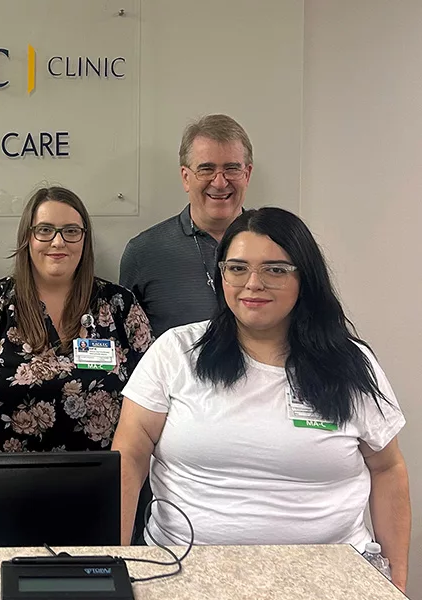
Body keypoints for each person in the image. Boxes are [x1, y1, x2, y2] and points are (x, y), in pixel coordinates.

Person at [112, 207, 410, 592]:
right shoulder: (176, 352)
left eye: (275, 269)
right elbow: (130, 456)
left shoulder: (351, 362)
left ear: (305, 277)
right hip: (185, 570)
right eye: (236, 268)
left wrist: (395, 582)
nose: (253, 283)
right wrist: (110, 560)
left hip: (329, 575)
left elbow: (387, 469)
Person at [0, 186, 153, 453]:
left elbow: (152, 403)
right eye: (45, 230)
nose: (58, 242)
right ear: (28, 238)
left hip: (102, 487)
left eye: (71, 231)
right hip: (2, 488)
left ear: (85, 239)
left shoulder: (119, 306)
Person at [119, 114, 254, 337]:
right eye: (206, 169)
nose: (220, 182)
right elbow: (129, 344)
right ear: (185, 177)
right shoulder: (144, 253)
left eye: (231, 168)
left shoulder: (278, 247)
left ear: (247, 174)